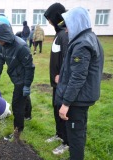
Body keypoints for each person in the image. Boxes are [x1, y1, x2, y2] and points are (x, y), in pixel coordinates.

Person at [56, 7, 104, 160]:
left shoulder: (82, 44)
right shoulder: (89, 37)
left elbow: (78, 77)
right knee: (79, 130)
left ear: (76, 23)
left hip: (77, 99)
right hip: (82, 96)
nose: (67, 31)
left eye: (68, 26)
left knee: (75, 134)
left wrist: (66, 103)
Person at [0, 22, 35, 141]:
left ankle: (17, 131)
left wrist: (27, 84)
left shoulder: (21, 47)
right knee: (24, 97)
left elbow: (30, 67)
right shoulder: (1, 45)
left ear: (6, 36)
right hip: (15, 75)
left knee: (17, 105)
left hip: (23, 77)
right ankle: (28, 114)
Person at [44, 3, 69, 155]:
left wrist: (62, 75)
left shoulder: (65, 35)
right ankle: (59, 135)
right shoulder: (58, 34)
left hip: (63, 83)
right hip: (56, 83)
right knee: (56, 109)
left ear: (56, 17)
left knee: (63, 112)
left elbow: (67, 58)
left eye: (50, 18)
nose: (49, 22)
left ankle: (67, 141)